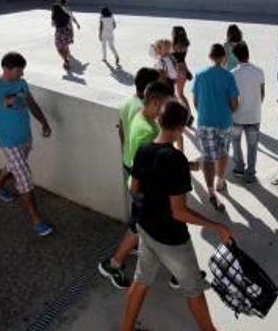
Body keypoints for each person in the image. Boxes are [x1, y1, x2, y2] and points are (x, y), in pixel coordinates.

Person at [121, 100, 233, 331]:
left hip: (145, 227)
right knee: (194, 290)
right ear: (181, 128)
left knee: (141, 281)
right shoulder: (175, 160)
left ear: (159, 121)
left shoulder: (144, 149)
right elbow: (179, 211)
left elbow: (134, 190)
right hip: (171, 239)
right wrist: (216, 226)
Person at [99, 80, 174, 289]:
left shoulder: (141, 119)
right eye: (166, 105)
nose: (167, 111)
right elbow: (151, 167)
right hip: (147, 191)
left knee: (141, 227)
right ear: (156, 103)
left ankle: (115, 263)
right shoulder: (149, 131)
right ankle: (113, 264)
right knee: (151, 227)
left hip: (139, 187)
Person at [0, 52, 55, 236]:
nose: (22, 74)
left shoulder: (21, 83)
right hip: (8, 142)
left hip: (25, 138)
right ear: (6, 69)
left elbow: (31, 103)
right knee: (24, 178)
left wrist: (44, 122)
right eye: (19, 71)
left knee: (14, 166)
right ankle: (37, 221)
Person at [192, 44, 239, 211]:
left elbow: (196, 102)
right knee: (223, 152)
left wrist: (206, 112)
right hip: (224, 123)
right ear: (224, 57)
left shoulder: (199, 75)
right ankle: (220, 181)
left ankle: (211, 191)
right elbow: (234, 105)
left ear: (209, 56)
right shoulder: (229, 76)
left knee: (208, 158)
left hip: (205, 122)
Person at [229, 43, 265, 184]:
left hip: (237, 115)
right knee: (252, 146)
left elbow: (231, 97)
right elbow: (262, 94)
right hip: (254, 115)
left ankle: (239, 167)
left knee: (236, 142)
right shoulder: (259, 71)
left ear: (235, 56)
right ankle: (250, 173)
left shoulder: (233, 74)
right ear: (248, 53)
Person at [171, 26, 194, 123]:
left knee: (172, 94)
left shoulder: (173, 46)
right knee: (181, 94)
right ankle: (189, 116)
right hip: (183, 71)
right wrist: (187, 71)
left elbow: (170, 60)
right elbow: (182, 60)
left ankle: (176, 116)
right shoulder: (185, 47)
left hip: (174, 71)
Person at [51, 3, 75, 71]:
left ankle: (65, 60)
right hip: (67, 31)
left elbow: (52, 25)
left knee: (59, 48)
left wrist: (53, 15)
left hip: (59, 32)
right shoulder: (66, 15)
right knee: (66, 46)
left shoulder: (54, 17)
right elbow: (70, 21)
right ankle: (66, 62)